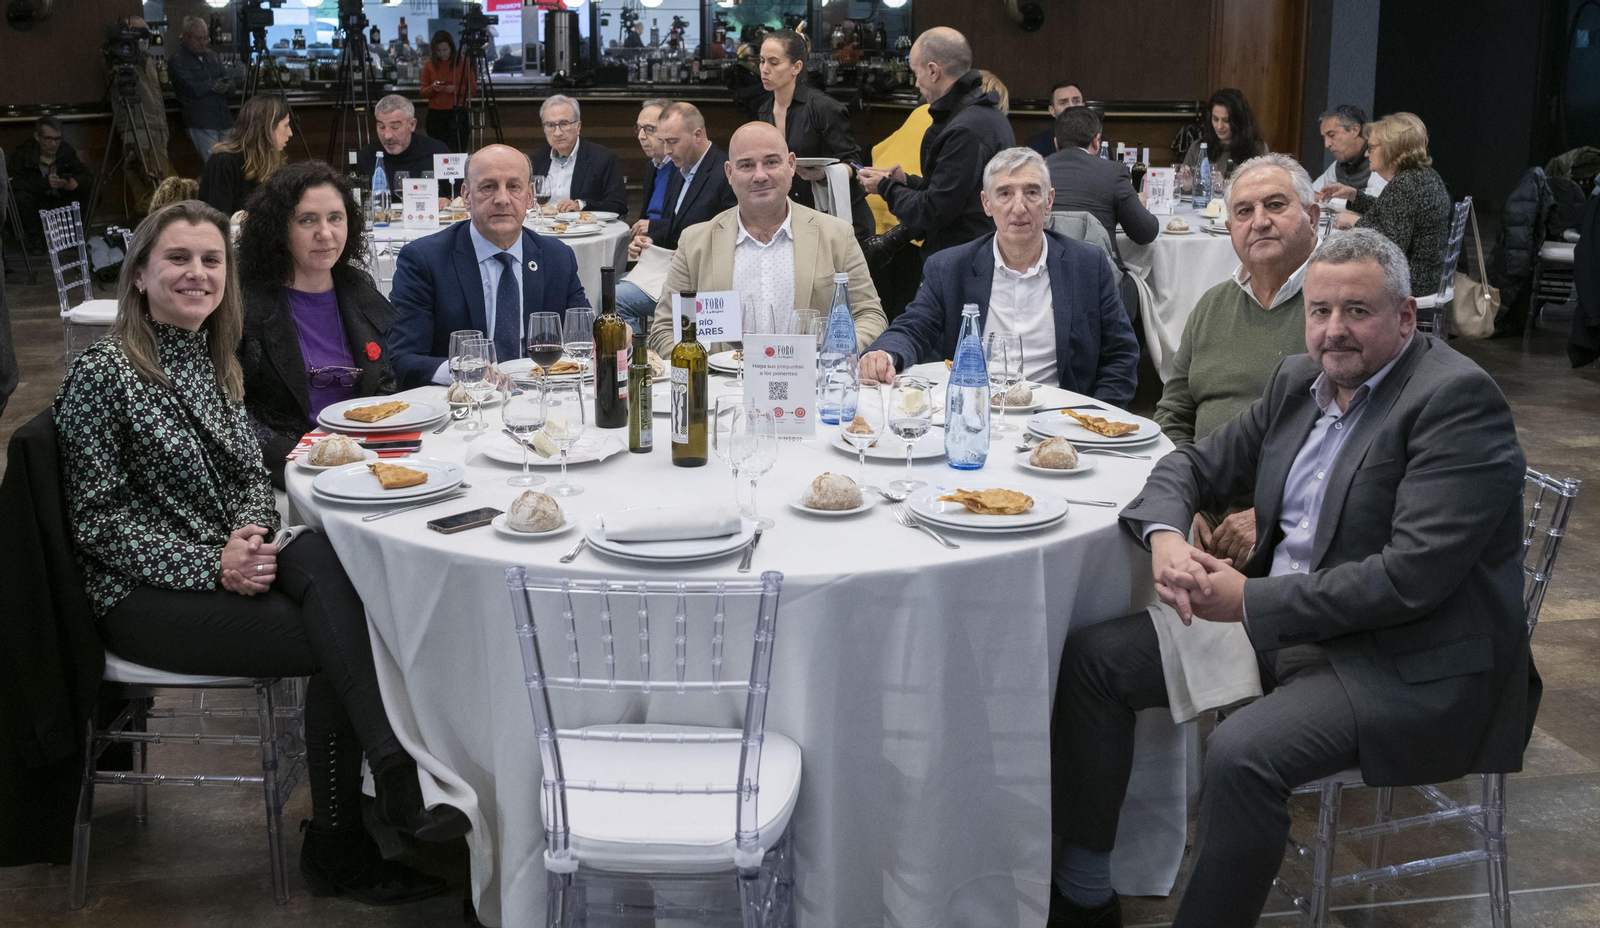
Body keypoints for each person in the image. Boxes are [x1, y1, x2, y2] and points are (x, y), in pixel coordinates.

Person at [1048, 228, 1535, 928]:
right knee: (1095, 661)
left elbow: (1410, 579)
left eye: (1357, 312)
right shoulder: (1297, 384)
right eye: (1319, 311)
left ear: (1405, 318)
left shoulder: (1455, 402)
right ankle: (1085, 893)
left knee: (1243, 754)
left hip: (1399, 660)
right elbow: (1189, 464)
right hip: (1288, 629)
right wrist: (1162, 537)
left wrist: (1249, 599)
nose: (1334, 330)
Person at [52, 201, 472, 907]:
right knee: (340, 633)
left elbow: (251, 472)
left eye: (212, 260)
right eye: (178, 260)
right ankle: (364, 813)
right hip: (141, 597)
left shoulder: (210, 356)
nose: (197, 273)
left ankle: (388, 786)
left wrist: (248, 532)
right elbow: (97, 523)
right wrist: (211, 563)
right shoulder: (106, 373)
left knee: (335, 567)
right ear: (138, 278)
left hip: (220, 564)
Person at [862, 148, 1139, 407]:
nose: (1019, 207)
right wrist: (886, 354)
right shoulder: (949, 267)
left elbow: (1121, 355)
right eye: (1005, 193)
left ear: (1049, 200)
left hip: (1061, 417)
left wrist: (1096, 417)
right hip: (975, 412)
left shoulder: (1088, 265)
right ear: (987, 203)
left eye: (1032, 192)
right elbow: (914, 327)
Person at [1154, 153, 1321, 564]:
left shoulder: (1335, 309)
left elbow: (1356, 440)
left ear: (1313, 216)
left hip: (1295, 528)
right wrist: (1184, 499)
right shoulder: (1213, 306)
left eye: (1276, 205)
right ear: (1229, 228)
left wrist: (1269, 515)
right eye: (1244, 211)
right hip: (1201, 518)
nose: (1259, 221)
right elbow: (1174, 413)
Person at [645, 122, 885, 357]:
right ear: (729, 173)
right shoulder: (695, 243)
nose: (760, 175)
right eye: (747, 165)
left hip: (811, 387)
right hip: (724, 388)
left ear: (791, 164)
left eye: (771, 162)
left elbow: (869, 316)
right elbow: (665, 328)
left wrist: (834, 354)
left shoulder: (836, 236)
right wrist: (701, 372)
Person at [237, 161, 394, 488]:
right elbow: (231, 407)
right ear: (278, 228)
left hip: (369, 458)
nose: (325, 233)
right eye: (307, 220)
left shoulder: (358, 288)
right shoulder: (246, 304)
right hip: (288, 470)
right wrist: (297, 455)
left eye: (335, 218)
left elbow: (386, 380)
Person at [388, 144, 589, 389]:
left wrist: (618, 340)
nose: (502, 199)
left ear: (529, 197)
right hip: (464, 407)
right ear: (466, 196)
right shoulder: (425, 260)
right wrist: (461, 371)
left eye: (513, 187)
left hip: (544, 397)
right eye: (488, 187)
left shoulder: (557, 258)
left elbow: (585, 341)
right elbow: (400, 359)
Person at [857, 27, 1014, 261]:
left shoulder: (965, 129)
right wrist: (905, 181)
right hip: (974, 252)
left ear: (932, 71)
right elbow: (956, 195)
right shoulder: (986, 116)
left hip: (962, 260)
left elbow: (934, 211)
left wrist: (885, 187)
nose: (916, 84)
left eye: (915, 73)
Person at [615, 102, 737, 330]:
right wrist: (652, 241)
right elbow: (675, 226)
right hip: (670, 267)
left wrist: (687, 255)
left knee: (615, 299)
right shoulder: (680, 169)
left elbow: (733, 237)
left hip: (702, 281)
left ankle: (641, 359)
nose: (667, 150)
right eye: (663, 142)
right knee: (605, 286)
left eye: (672, 142)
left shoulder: (723, 174)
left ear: (697, 135)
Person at [755, 30, 874, 239]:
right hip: (796, 219)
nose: (764, 69)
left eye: (774, 63)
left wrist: (824, 174)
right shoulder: (764, 111)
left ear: (796, 67)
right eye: (762, 61)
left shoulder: (822, 107)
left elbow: (855, 163)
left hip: (839, 220)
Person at [1318, 112, 1452, 297]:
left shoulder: (1405, 184)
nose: (1366, 153)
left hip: (1411, 283)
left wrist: (1355, 222)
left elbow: (1391, 244)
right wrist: (1354, 195)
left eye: (1371, 147)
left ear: (1391, 149)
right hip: (1426, 277)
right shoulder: (1422, 175)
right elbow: (1392, 212)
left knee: (1329, 275)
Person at [1045, 106, 1158, 267]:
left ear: (1056, 143)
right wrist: (1139, 205)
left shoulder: (1036, 171)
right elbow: (1146, 233)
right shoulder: (1113, 172)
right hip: (1101, 282)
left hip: (1047, 277)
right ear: (1097, 141)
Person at [106, 15, 175, 210]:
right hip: (137, 128)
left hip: (157, 129)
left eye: (145, 33)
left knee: (163, 183)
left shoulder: (148, 59)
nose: (143, 38)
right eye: (138, 33)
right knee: (149, 185)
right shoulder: (119, 58)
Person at [527, 95, 628, 217]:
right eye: (550, 125)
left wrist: (581, 205)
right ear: (544, 129)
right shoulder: (535, 160)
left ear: (578, 127)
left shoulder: (602, 159)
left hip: (584, 231)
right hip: (542, 230)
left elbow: (618, 206)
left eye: (564, 124)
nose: (557, 133)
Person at [198, 94, 292, 216]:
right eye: (286, 125)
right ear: (267, 128)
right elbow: (218, 221)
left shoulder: (275, 161)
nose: (290, 133)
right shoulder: (224, 163)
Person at [8, 118, 94, 249]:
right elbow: (13, 184)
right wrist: (44, 183)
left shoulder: (66, 151)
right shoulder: (23, 154)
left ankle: (75, 238)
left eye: (57, 139)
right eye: (48, 139)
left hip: (61, 200)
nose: (54, 144)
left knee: (92, 191)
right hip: (36, 204)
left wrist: (75, 182)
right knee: (20, 199)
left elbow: (86, 175)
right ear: (37, 136)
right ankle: (37, 242)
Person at [356, 95, 451, 208]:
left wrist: (448, 201)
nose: (387, 136)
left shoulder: (437, 151)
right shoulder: (368, 155)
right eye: (381, 127)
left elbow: (460, 195)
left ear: (412, 125)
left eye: (395, 127)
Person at [167, 16, 234, 163]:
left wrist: (226, 86)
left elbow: (230, 81)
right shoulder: (178, 59)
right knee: (215, 166)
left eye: (206, 38)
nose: (204, 43)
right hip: (201, 122)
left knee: (228, 167)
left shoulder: (212, 56)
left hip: (224, 120)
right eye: (199, 39)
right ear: (186, 37)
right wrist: (214, 85)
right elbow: (192, 88)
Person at [1179, 88, 1268, 193]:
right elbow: (1181, 195)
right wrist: (1187, 187)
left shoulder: (1258, 148)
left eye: (1226, 120)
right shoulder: (1198, 148)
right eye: (1215, 119)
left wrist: (1226, 186)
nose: (1219, 126)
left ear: (1238, 121)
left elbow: (1263, 191)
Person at [1311, 104, 1386, 198]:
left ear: (1355, 130)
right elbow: (1311, 193)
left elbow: (1376, 205)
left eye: (1332, 135)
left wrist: (1325, 199)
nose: (1327, 144)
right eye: (1324, 138)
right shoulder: (1338, 166)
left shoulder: (1380, 162)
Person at [419, 31, 473, 152]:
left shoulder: (463, 62)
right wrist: (433, 88)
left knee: (457, 151)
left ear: (451, 48)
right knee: (437, 152)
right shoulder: (429, 64)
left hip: (457, 112)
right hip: (436, 114)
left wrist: (456, 89)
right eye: (439, 51)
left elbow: (472, 88)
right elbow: (423, 91)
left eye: (445, 50)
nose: (442, 54)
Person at [635, 98, 677, 223]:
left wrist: (653, 227)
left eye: (649, 129)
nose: (641, 136)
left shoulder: (684, 167)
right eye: (639, 128)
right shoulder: (652, 165)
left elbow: (684, 223)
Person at [1027, 80, 1085, 159]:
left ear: (1083, 106)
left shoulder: (1097, 141)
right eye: (1063, 102)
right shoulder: (1036, 144)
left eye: (1076, 101)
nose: (1071, 106)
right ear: (1052, 110)